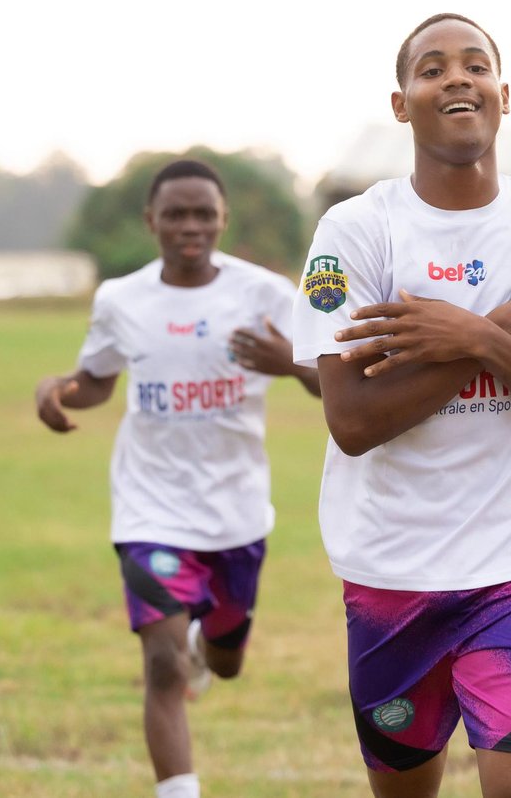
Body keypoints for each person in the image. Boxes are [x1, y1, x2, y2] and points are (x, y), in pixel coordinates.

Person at [290, 13, 511, 798]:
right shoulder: (355, 232)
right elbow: (355, 421)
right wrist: (507, 326)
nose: (457, 79)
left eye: (474, 65)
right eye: (432, 69)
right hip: (390, 577)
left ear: (503, 96)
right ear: (402, 104)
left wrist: (476, 335)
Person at [34, 159, 319, 798]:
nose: (190, 226)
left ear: (223, 219)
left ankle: (205, 644)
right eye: (175, 214)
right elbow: (98, 381)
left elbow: (336, 387)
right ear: (151, 221)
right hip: (150, 508)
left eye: (203, 214)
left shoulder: (267, 295)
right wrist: (57, 390)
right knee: (161, 664)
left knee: (226, 662)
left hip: (237, 513)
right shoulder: (121, 299)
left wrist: (291, 363)